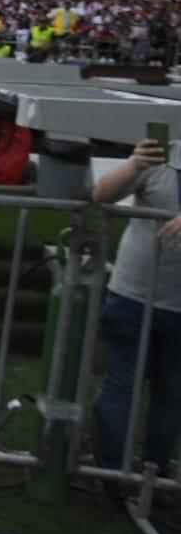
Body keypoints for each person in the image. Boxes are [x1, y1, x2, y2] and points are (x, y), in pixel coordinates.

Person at [90, 135, 181, 482]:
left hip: (177, 306)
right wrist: (134, 164)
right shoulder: (159, 159)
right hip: (132, 296)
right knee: (122, 384)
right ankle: (112, 471)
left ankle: (152, 473)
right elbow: (103, 195)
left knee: (171, 393)